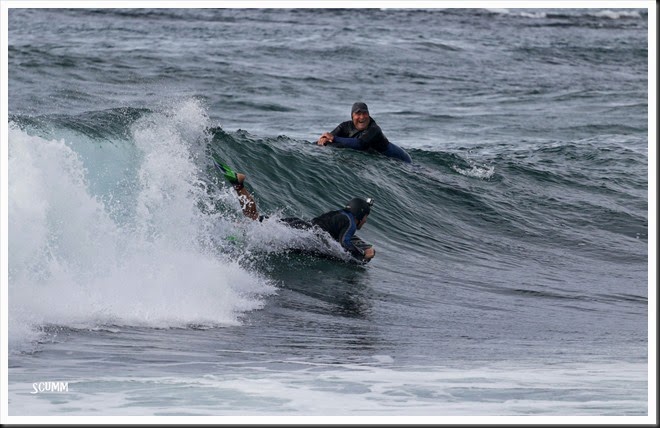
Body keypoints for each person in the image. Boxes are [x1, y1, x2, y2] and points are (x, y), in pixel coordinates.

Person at [223, 167, 376, 263]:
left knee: (256, 220)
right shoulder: (350, 221)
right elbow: (345, 243)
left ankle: (239, 185)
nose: (365, 221)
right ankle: (242, 228)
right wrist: (363, 253)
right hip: (303, 235)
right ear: (360, 214)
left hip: (300, 226)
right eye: (365, 218)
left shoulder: (340, 215)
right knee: (265, 236)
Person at [317, 102, 412, 163]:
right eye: (358, 113)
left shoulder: (374, 129)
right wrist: (323, 140)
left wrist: (334, 138)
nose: (362, 117)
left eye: (365, 113)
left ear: (369, 115)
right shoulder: (345, 126)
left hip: (401, 159)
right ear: (352, 116)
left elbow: (360, 143)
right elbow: (328, 139)